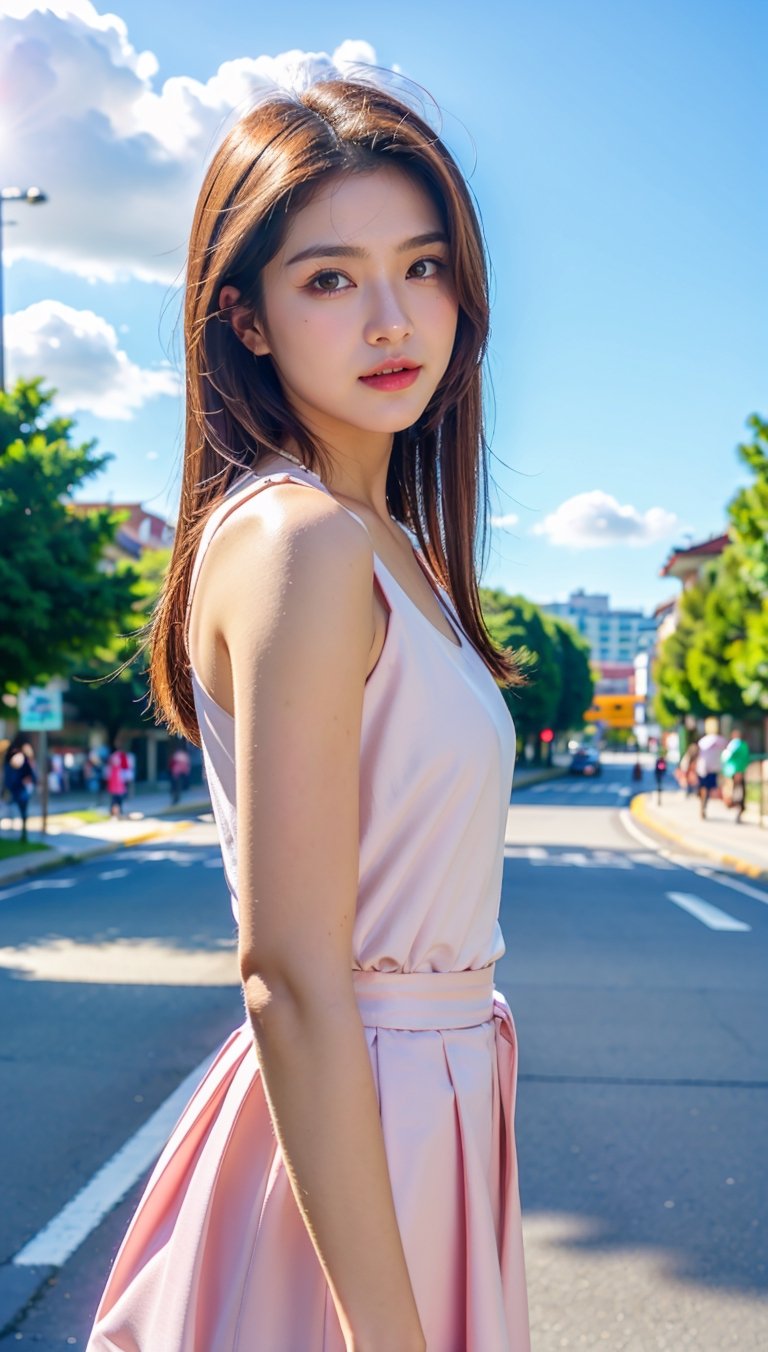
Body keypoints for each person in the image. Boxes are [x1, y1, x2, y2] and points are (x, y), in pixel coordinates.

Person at [86, 74, 531, 1352]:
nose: (394, 318)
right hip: (362, 1116)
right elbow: (290, 974)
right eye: (331, 279)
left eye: (425, 266)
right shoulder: (300, 540)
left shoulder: (381, 542)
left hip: (428, 1102)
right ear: (249, 319)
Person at [2, 735, 37, 843]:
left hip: (15, 788)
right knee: (19, 812)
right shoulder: (22, 757)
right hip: (18, 789)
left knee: (14, 811)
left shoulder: (10, 756)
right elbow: (31, 774)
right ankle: (20, 833)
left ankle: (18, 833)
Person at [695, 717, 727, 820]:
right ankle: (703, 805)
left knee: (704, 789)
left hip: (703, 769)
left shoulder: (703, 741)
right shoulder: (721, 741)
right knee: (708, 789)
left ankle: (702, 805)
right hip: (714, 769)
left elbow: (698, 754)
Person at [721, 728, 750, 824]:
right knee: (740, 791)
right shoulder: (744, 745)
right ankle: (739, 809)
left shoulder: (733, 745)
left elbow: (726, 757)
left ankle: (734, 806)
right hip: (741, 770)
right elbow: (747, 758)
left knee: (733, 791)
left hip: (732, 771)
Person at [105, 742, 130, 818]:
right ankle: (117, 811)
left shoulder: (113, 757)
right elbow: (125, 767)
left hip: (115, 780)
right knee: (117, 797)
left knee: (115, 797)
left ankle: (114, 811)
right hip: (118, 780)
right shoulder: (120, 757)